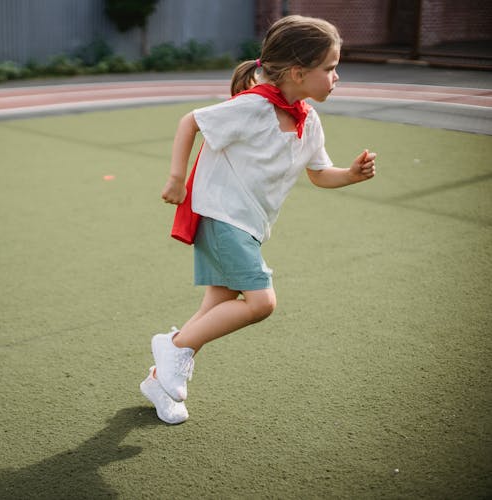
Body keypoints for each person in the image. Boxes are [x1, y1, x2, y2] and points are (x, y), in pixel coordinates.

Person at [140, 15, 377, 424]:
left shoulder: (309, 120)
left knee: (217, 306)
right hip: (220, 217)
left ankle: (161, 380)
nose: (337, 77)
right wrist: (176, 178)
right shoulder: (253, 107)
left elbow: (320, 174)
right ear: (299, 73)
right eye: (330, 68)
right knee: (261, 303)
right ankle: (173, 346)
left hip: (249, 228)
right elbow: (191, 121)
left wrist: (351, 175)